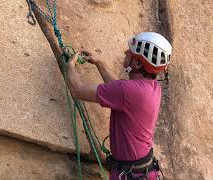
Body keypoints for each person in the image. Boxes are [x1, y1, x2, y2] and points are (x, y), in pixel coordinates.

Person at [66, 32, 172, 180]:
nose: (126, 52)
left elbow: (77, 90)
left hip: (129, 174)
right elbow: (118, 91)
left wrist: (69, 65)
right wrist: (100, 63)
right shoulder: (153, 87)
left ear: (137, 63)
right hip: (144, 171)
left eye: (131, 52)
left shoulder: (129, 91)